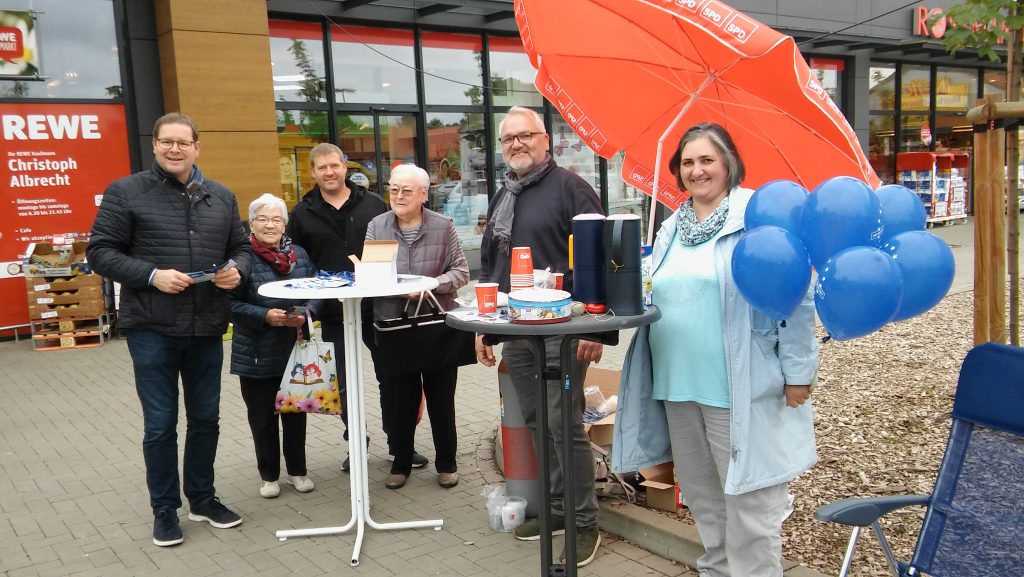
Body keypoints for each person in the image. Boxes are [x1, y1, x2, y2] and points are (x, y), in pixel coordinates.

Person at [614, 122, 819, 577]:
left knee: (749, 503)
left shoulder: (756, 219)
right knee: (705, 498)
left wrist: (799, 371)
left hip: (735, 386)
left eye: (707, 159)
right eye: (687, 162)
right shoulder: (670, 227)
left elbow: (797, 295)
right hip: (677, 385)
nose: (697, 170)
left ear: (729, 163)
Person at [87, 112, 250, 547]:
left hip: (206, 325)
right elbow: (100, 252)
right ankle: (165, 510)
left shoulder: (221, 196)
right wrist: (152, 274)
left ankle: (202, 497)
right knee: (160, 424)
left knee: (206, 419)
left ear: (198, 146)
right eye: (166, 142)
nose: (175, 149)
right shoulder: (127, 192)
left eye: (183, 142)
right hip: (153, 327)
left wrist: (237, 270)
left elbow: (241, 248)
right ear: (155, 145)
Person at [475, 106, 604, 567]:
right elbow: (493, 262)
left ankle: (585, 523)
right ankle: (554, 512)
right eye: (508, 139)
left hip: (566, 331)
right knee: (535, 423)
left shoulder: (572, 188)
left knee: (562, 426)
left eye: (524, 136)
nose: (516, 145)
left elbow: (599, 259)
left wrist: (597, 329)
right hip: (518, 330)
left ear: (545, 140)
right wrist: (486, 330)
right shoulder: (505, 193)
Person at [287, 143, 429, 471]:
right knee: (344, 383)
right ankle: (357, 444)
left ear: (345, 166)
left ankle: (398, 445)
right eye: (321, 167)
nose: (329, 172)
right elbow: (299, 263)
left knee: (390, 377)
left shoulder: (374, 205)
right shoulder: (302, 213)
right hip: (334, 312)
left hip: (377, 308)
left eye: (334, 165)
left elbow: (395, 248)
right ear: (312, 172)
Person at [365, 164, 470, 490]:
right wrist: (391, 285)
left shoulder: (443, 226)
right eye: (393, 188)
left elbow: (461, 273)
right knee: (400, 400)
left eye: (406, 190)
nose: (398, 195)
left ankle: (446, 463)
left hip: (436, 326)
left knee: (441, 399)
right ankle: (401, 461)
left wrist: (430, 283)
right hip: (394, 324)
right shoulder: (376, 226)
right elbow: (369, 277)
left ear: (423, 194)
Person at [229, 193, 317, 499]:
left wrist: (307, 313)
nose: (270, 225)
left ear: (285, 223)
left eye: (276, 219)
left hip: (295, 347)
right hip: (256, 349)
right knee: (263, 417)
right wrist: (265, 315)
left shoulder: (301, 256)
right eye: (262, 219)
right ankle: (269, 475)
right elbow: (228, 304)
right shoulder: (240, 259)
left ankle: (297, 471)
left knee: (296, 412)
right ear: (251, 224)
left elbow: (318, 290)